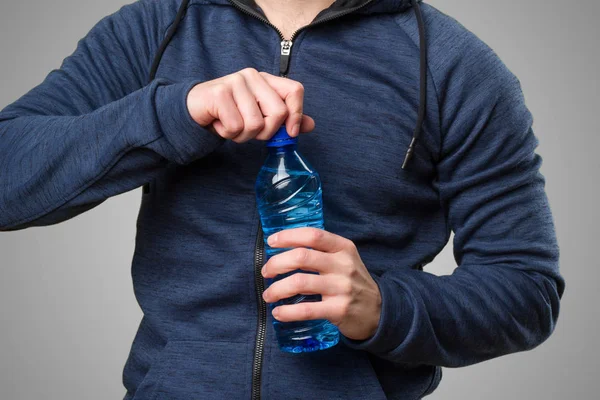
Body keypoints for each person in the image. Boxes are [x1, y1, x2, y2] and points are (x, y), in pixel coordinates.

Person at [0, 0, 565, 399]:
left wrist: (385, 308)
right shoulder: (153, 30)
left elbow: (525, 289)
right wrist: (176, 111)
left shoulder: (455, 67)